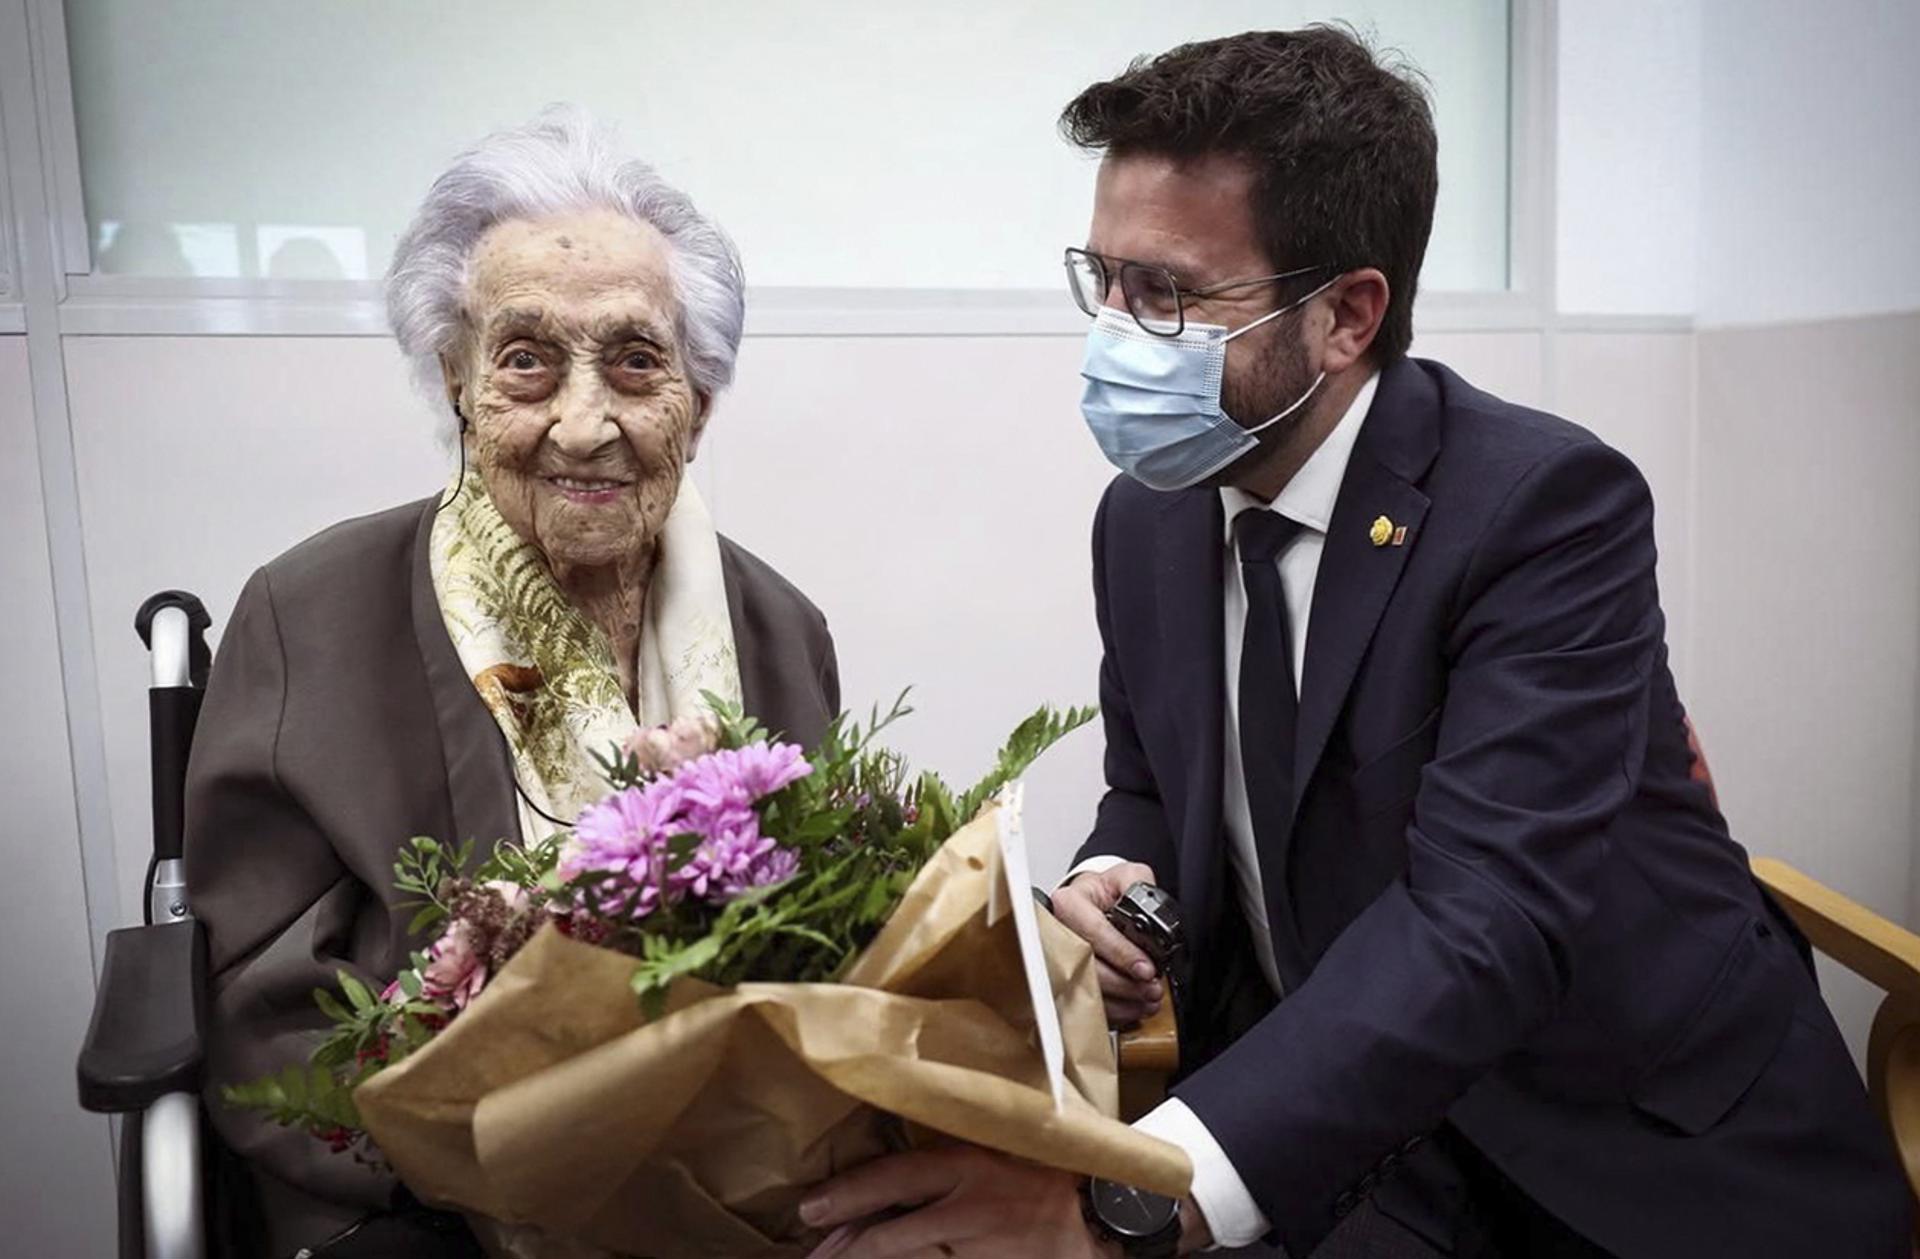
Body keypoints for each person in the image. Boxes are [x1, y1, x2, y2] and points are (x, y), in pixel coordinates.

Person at [800, 27, 1911, 1258]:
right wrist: (1117, 884)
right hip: (1341, 1134)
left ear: (1346, 314)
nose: (1113, 332)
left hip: (1624, 1155)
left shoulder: (1545, 510)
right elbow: (1154, 785)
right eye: (1101, 278)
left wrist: (1135, 1197)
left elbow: (1481, 920)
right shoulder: (1149, 515)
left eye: (1165, 291)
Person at [187, 109, 839, 1256]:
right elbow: (269, 1008)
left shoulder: (781, 629)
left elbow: (831, 956)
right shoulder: (307, 614)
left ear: (701, 398)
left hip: (734, 1184)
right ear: (456, 381)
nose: (582, 423)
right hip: (434, 1193)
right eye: (527, 359)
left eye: (636, 361)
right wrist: (507, 1149)